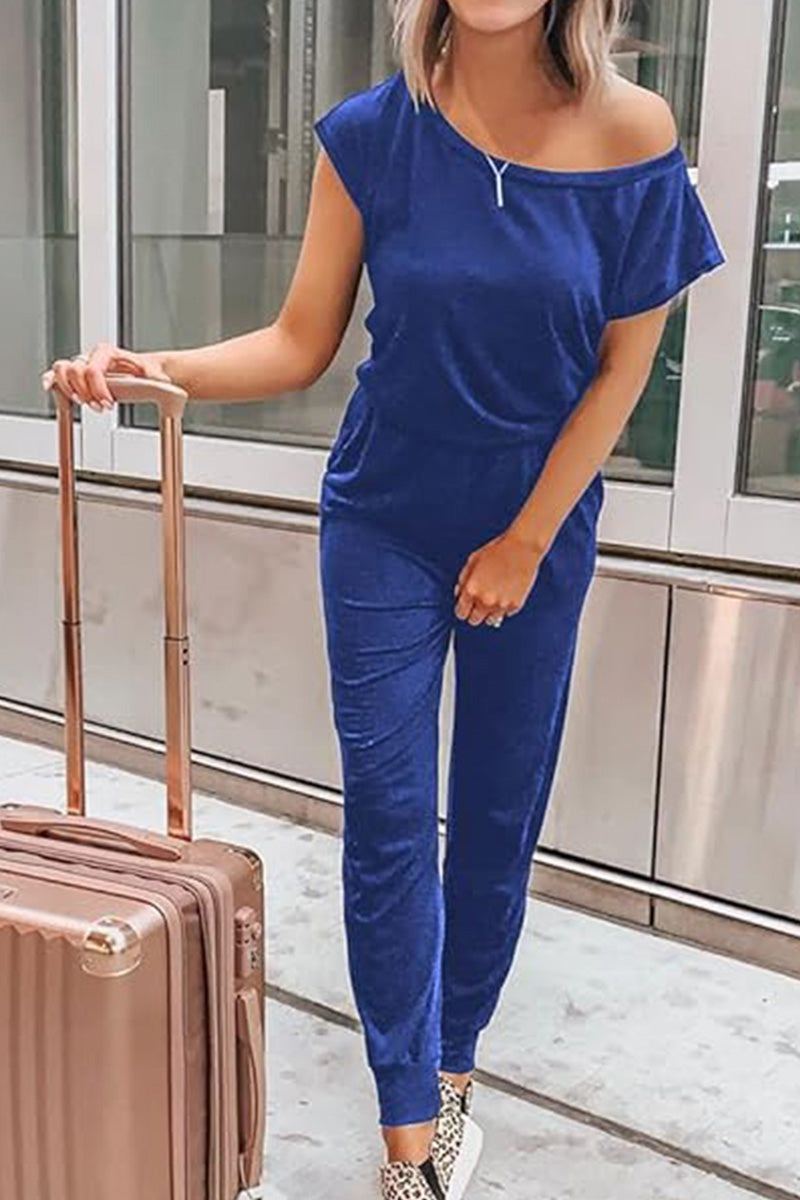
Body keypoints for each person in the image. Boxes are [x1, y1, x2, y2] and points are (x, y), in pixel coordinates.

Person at [43, 1, 726, 1196]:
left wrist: (521, 538)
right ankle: (408, 1137)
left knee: (496, 824)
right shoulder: (374, 133)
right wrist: (153, 369)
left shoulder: (631, 131)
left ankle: (452, 1067)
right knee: (392, 823)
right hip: (382, 522)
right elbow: (301, 341)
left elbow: (624, 368)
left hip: (540, 529)